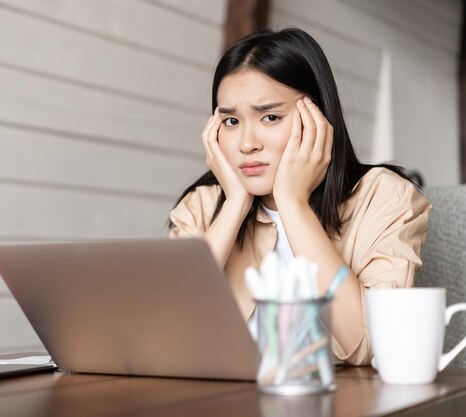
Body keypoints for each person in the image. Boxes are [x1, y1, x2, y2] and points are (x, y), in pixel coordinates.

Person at [168, 28, 431, 366]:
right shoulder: (203, 205)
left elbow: (370, 345)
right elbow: (164, 334)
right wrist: (234, 203)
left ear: (318, 118)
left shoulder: (385, 197)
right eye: (231, 120)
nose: (247, 143)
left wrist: (293, 204)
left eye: (270, 117)